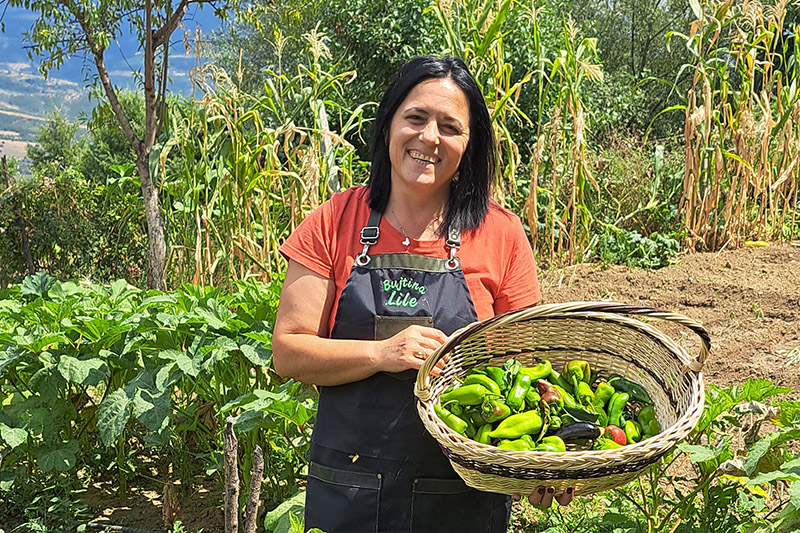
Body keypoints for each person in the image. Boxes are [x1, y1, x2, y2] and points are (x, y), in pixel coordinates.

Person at [273, 55, 572, 533]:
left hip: (461, 499)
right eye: (416, 117)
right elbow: (288, 352)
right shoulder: (334, 220)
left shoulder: (501, 234)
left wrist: (538, 464)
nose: (430, 137)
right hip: (349, 493)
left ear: (469, 144)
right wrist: (381, 353)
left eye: (450, 127)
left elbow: (530, 368)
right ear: (389, 122)